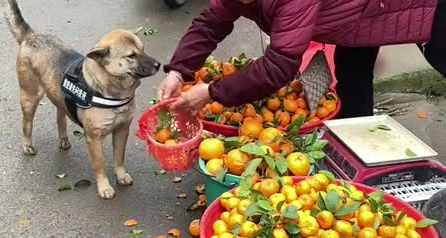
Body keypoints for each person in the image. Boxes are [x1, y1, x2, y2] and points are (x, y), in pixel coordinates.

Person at [158, 0, 446, 118]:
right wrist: (178, 72)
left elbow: (280, 64)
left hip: (419, 7)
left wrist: (211, 92)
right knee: (352, 75)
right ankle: (354, 154)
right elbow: (211, 23)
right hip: (359, 16)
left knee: (439, 52)